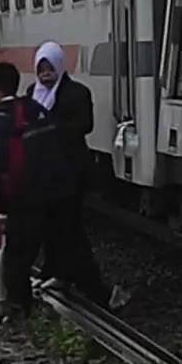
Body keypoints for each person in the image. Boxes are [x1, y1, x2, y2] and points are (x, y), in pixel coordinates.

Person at [0, 60, 76, 323]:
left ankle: (17, 309)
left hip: (23, 195)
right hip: (56, 190)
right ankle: (80, 292)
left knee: (15, 253)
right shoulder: (33, 107)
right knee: (40, 247)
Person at [28, 41, 129, 312]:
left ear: (60, 66)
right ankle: (58, 274)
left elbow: (85, 125)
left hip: (70, 170)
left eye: (50, 68)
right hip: (43, 172)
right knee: (53, 224)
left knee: (69, 227)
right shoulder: (32, 93)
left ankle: (97, 290)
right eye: (41, 68)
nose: (45, 73)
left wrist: (51, 127)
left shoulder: (77, 92)